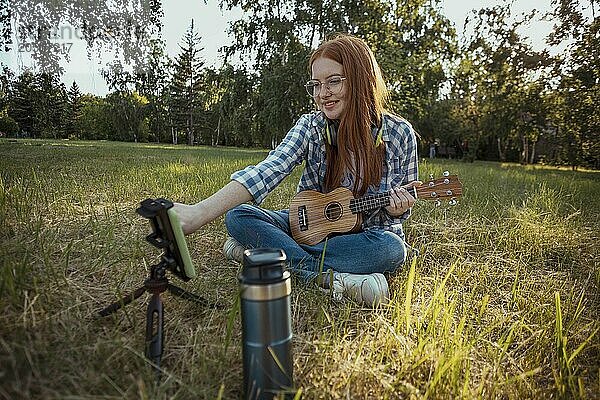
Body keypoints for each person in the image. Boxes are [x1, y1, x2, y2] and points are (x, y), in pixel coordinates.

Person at [174, 34, 420, 307]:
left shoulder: (399, 134)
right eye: (316, 85)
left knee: (391, 249)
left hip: (366, 237)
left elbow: (397, 214)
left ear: (361, 80)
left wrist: (398, 208)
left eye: (333, 81)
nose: (322, 94)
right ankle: (331, 278)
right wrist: (199, 213)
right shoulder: (311, 126)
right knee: (238, 216)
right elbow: (269, 169)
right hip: (309, 226)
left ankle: (267, 254)